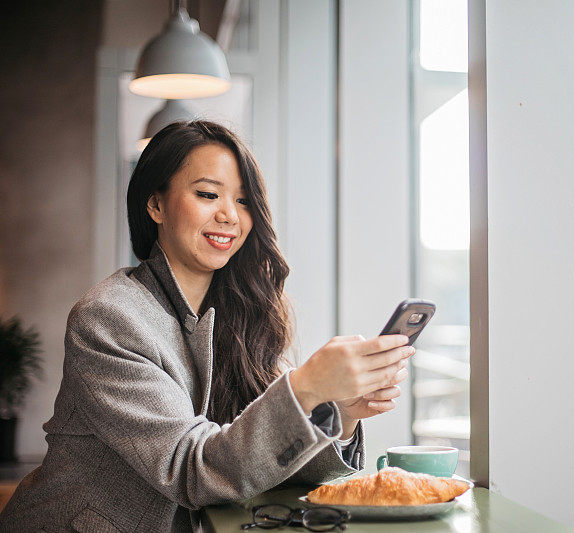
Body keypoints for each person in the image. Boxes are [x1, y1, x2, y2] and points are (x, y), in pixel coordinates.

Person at [0, 121, 413, 532]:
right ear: (156, 205)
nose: (229, 215)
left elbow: (260, 464)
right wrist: (304, 387)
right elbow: (193, 470)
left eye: (243, 200)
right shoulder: (108, 317)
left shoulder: (238, 316)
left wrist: (341, 413)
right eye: (207, 194)